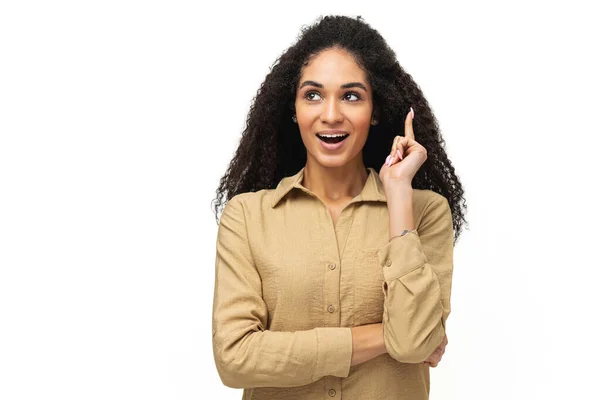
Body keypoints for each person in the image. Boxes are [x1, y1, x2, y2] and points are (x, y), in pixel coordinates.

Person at [211, 15, 467, 400]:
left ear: (375, 110)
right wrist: (387, 336)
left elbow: (414, 344)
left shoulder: (425, 212)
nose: (331, 114)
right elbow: (234, 359)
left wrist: (398, 194)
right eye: (313, 94)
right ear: (293, 108)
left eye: (351, 95)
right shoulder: (247, 217)